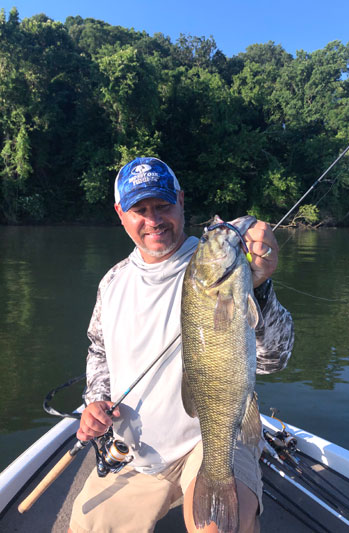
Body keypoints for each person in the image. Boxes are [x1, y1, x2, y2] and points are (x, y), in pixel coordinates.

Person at [69, 157, 294, 533]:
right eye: (139, 210)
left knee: (220, 527)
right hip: (139, 454)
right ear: (120, 214)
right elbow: (99, 351)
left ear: (181, 201)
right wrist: (96, 398)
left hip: (213, 435)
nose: (153, 220)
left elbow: (274, 358)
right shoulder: (112, 283)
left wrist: (260, 286)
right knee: (83, 526)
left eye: (162, 206)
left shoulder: (219, 265)